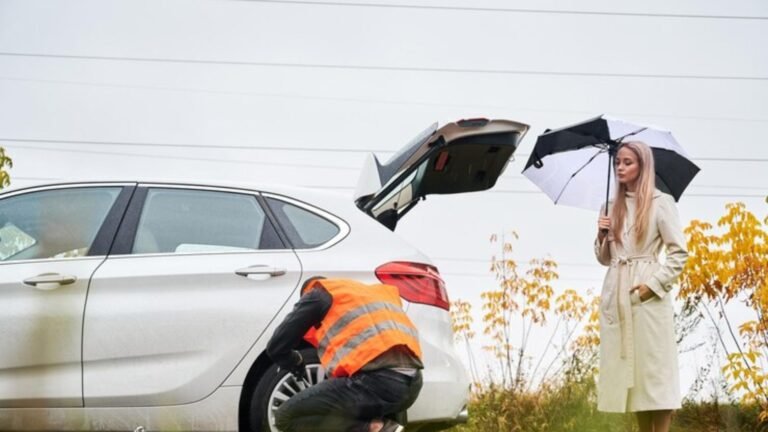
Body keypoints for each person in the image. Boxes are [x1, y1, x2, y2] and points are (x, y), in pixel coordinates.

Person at [594, 141, 688, 432]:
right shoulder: (610, 207)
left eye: (627, 162)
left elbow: (679, 254)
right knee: (631, 383)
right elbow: (605, 258)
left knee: (655, 380)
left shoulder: (662, 203)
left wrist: (652, 286)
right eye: (618, 162)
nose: (620, 168)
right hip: (617, 295)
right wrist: (601, 234)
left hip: (648, 299)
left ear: (642, 166)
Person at [266, 277, 424, 432]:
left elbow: (276, 347)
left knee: (284, 417)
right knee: (357, 410)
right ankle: (386, 426)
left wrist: (296, 362)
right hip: (413, 385)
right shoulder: (363, 295)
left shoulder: (317, 294)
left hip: (379, 382)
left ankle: (375, 428)